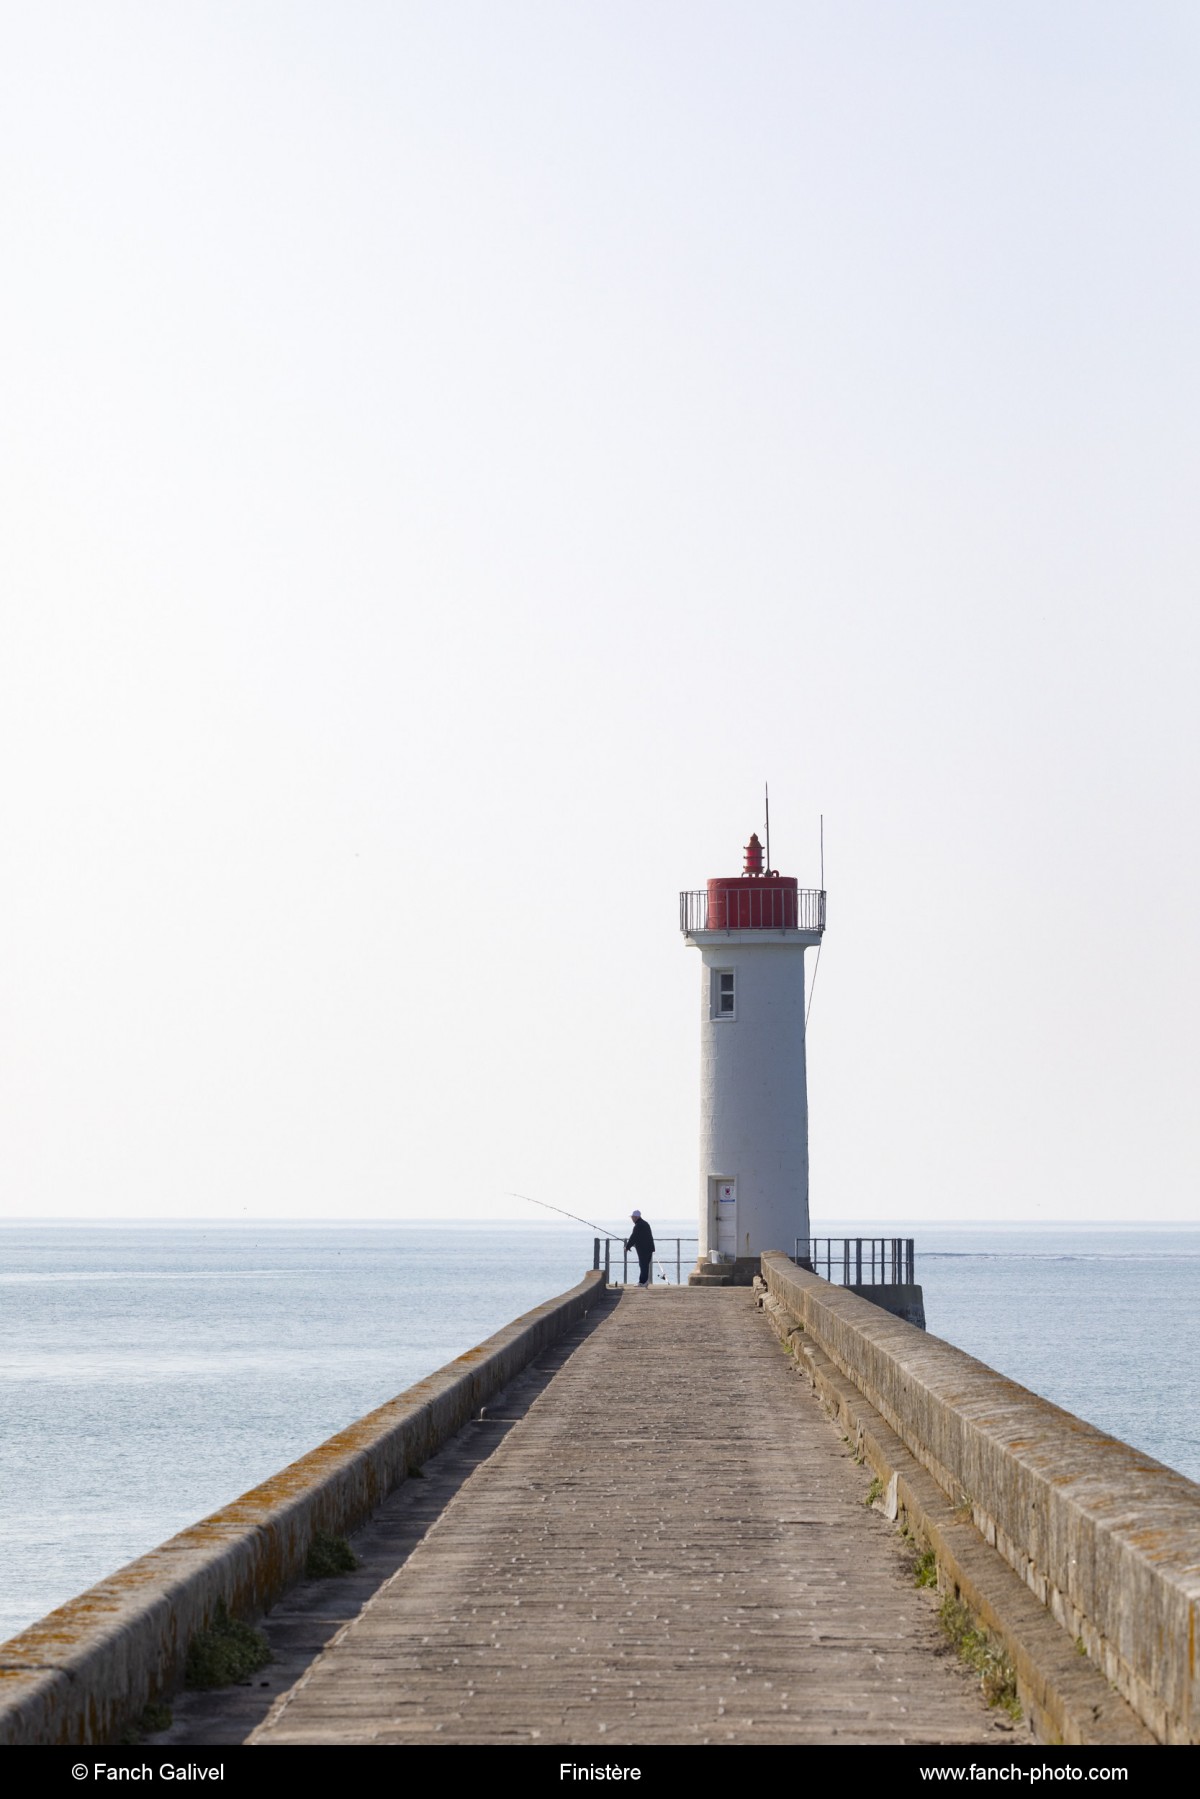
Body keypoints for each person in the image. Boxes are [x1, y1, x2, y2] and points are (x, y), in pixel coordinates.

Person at [624, 1210, 655, 1286]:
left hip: (643, 1249)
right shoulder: (645, 1223)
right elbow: (642, 1237)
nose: (632, 1219)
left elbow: (633, 1237)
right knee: (645, 1265)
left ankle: (642, 1282)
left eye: (633, 1217)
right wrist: (633, 1245)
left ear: (637, 1217)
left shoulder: (638, 1225)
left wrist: (627, 1247)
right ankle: (644, 1281)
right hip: (649, 1248)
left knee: (643, 1265)